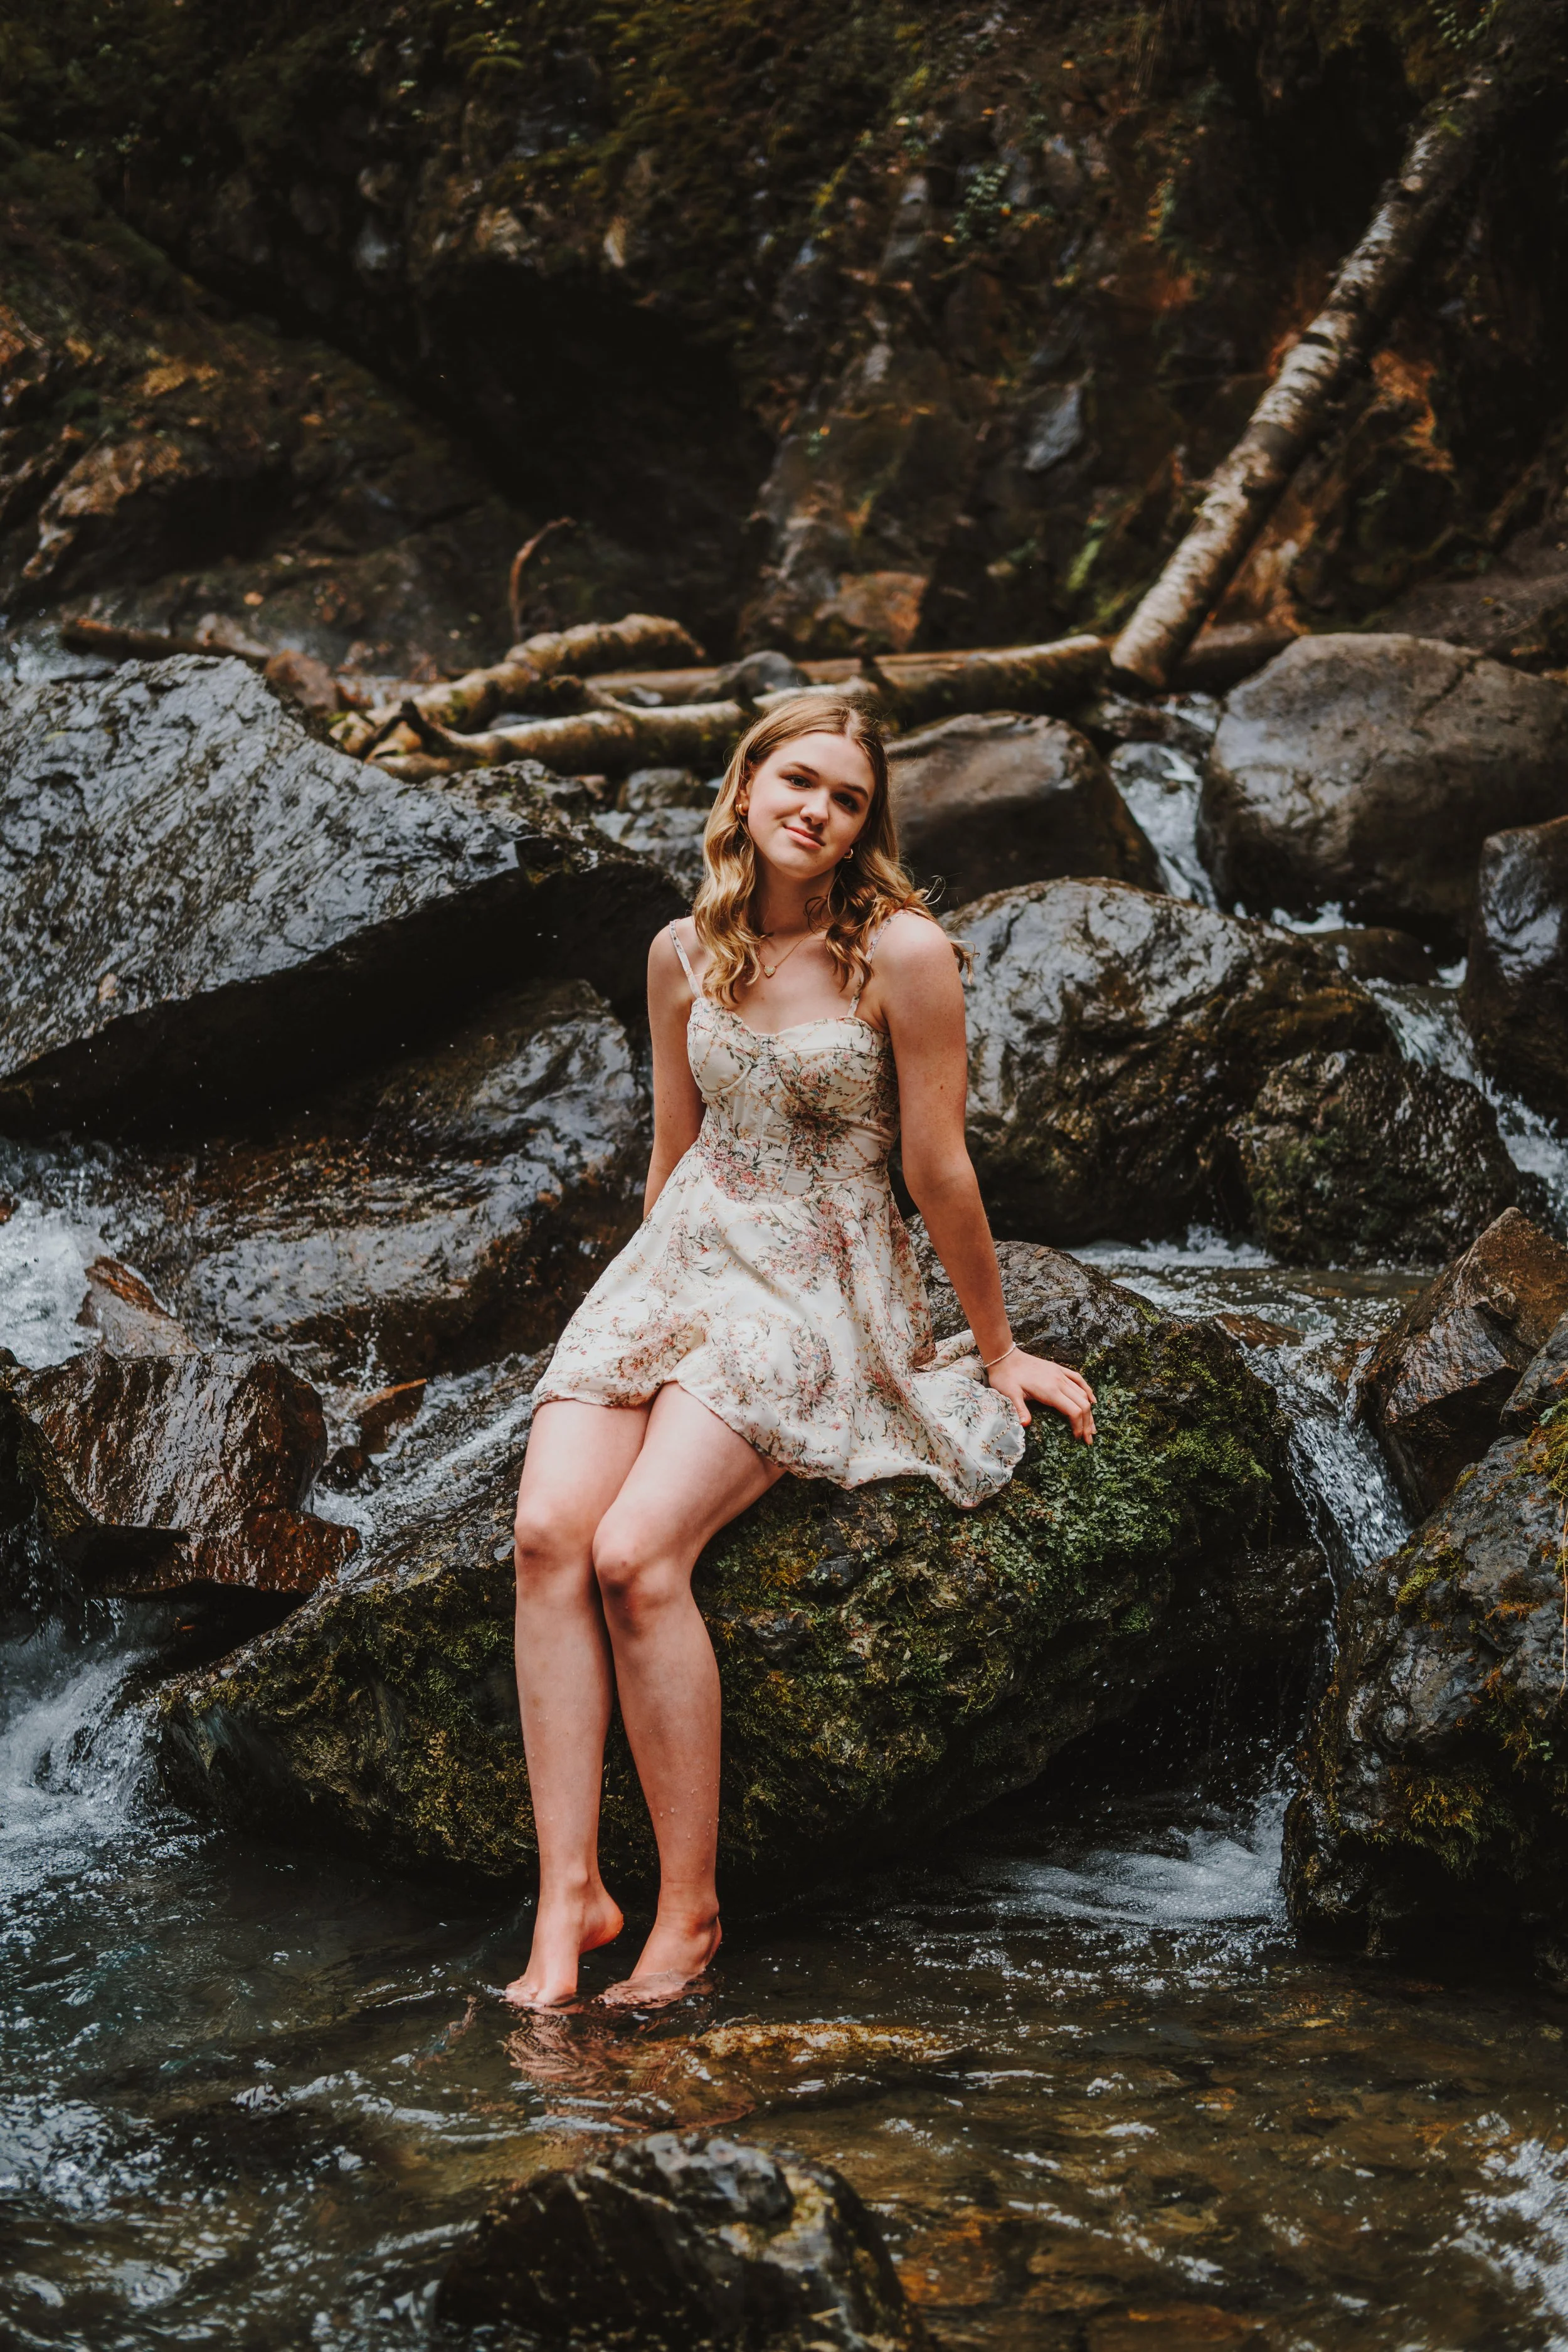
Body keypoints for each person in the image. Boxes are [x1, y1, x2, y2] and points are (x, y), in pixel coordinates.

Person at [506, 692, 1096, 2008]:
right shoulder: (679, 952)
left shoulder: (903, 953)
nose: (816, 809)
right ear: (744, 788)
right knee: (547, 1533)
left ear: (860, 827)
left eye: (844, 797)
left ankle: (688, 1915)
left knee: (633, 1557)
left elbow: (938, 1168)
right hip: (684, 1256)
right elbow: (671, 1150)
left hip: (822, 1279)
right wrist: (632, 1312)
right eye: (796, 780)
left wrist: (992, 1351)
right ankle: (568, 1902)